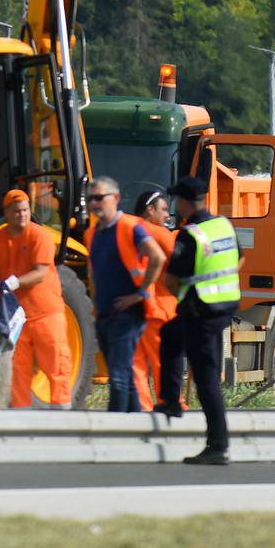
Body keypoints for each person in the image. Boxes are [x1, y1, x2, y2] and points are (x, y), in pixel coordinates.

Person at [153, 176, 241, 464]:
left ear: (185, 202)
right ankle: (170, 401)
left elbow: (170, 280)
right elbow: (239, 258)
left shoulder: (189, 234)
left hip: (200, 310)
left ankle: (218, 446)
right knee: (171, 335)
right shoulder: (223, 225)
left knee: (206, 380)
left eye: (177, 200)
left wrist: (186, 293)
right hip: (223, 306)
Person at [0, 189, 71, 408]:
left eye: (25, 210)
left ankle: (62, 411)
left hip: (45, 313)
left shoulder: (39, 235)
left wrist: (14, 283)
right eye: (16, 211)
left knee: (56, 364)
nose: (22, 214)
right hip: (14, 317)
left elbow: (40, 272)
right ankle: (20, 414)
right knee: (17, 370)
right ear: (6, 213)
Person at [86, 175, 165, 412]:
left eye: (100, 197)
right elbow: (93, 273)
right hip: (105, 311)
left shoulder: (130, 227)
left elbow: (157, 257)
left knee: (119, 375)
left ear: (116, 198)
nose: (95, 203)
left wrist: (140, 294)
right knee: (124, 374)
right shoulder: (92, 233)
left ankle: (115, 430)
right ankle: (134, 424)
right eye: (91, 199)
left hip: (128, 312)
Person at [131, 188, 177, 413]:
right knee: (162, 360)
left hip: (133, 307)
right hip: (158, 308)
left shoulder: (126, 229)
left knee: (136, 362)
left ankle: (142, 405)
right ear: (150, 210)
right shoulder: (158, 233)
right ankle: (168, 401)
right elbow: (181, 261)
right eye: (164, 210)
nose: (168, 216)